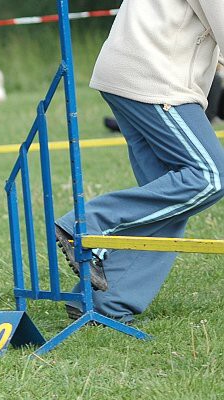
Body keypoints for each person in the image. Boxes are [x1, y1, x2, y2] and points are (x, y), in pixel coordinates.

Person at [55, 0, 224, 324]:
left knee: (171, 204)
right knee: (210, 176)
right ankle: (87, 224)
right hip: (156, 76)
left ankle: (106, 303)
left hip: (128, 72)